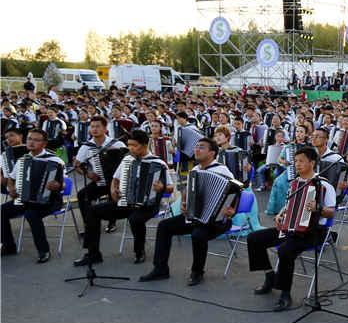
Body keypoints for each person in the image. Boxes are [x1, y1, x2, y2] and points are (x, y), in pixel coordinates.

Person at [247, 146, 337, 310]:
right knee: (254, 238)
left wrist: (318, 208)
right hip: (290, 228)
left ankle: (285, 293)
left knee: (285, 251)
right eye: (295, 161)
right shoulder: (296, 183)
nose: (297, 164)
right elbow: (289, 205)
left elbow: (331, 212)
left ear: (312, 163)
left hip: (313, 232)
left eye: (301, 161)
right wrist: (280, 214)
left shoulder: (323, 184)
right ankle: (269, 276)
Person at [140, 138, 237, 286]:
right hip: (194, 216)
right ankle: (160, 269)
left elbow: (235, 194)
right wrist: (184, 204)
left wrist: (231, 210)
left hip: (217, 221)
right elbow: (187, 193)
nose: (196, 149)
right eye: (196, 146)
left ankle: (197, 272)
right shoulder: (195, 170)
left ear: (212, 153)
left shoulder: (223, 171)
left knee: (198, 234)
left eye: (201, 147)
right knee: (164, 226)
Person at [73, 130, 174, 266]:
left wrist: (162, 187)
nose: (130, 148)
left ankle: (139, 251)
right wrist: (113, 190)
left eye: (134, 145)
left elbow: (170, 187)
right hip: (126, 202)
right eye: (129, 145)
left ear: (145, 145)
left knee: (135, 219)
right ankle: (93, 253)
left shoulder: (158, 163)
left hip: (148, 205)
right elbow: (115, 179)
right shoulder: (127, 160)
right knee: (92, 211)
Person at [1, 129, 67, 262]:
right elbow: (11, 179)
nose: (31, 142)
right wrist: (11, 189)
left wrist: (57, 185)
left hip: (50, 200)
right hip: (25, 199)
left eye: (36, 140)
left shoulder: (55, 160)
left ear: (44, 144)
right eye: (29, 139)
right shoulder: (22, 160)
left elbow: (64, 184)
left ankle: (43, 251)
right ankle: (8, 246)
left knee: (31, 214)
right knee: (2, 210)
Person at [73, 116, 126, 233]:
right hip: (100, 181)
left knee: (112, 194)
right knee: (82, 195)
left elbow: (128, 163)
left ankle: (112, 222)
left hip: (118, 182)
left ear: (105, 129)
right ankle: (88, 223)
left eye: (98, 126)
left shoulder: (118, 144)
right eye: (92, 127)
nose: (94, 129)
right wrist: (88, 173)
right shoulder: (86, 146)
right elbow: (77, 165)